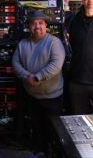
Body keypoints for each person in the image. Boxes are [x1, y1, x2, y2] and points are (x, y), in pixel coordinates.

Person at [12, 10, 66, 157]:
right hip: (33, 95)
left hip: (52, 97)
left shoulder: (54, 42)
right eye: (34, 24)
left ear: (46, 25)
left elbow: (56, 65)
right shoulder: (23, 44)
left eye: (41, 23)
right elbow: (15, 63)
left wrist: (37, 77)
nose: (37, 27)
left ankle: (52, 152)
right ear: (29, 27)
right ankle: (40, 149)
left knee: (52, 129)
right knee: (37, 126)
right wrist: (26, 76)